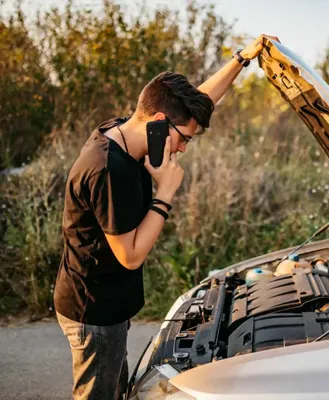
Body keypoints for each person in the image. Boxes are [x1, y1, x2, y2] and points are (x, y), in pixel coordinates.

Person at [54, 34, 279, 399]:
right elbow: (130, 255)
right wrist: (166, 192)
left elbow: (198, 103)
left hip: (109, 301)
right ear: (159, 122)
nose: (185, 148)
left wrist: (242, 59)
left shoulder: (129, 131)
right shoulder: (108, 169)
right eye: (184, 139)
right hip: (94, 310)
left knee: (115, 388)